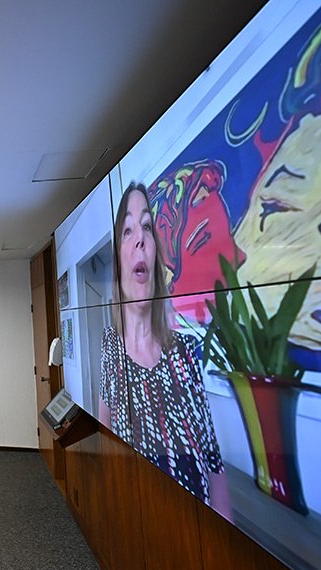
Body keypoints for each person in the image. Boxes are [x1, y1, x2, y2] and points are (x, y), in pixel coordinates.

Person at [98, 183, 230, 514]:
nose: (140, 239)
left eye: (146, 226)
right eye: (127, 231)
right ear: (118, 260)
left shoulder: (185, 352)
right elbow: (105, 439)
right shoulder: (110, 346)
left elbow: (213, 462)